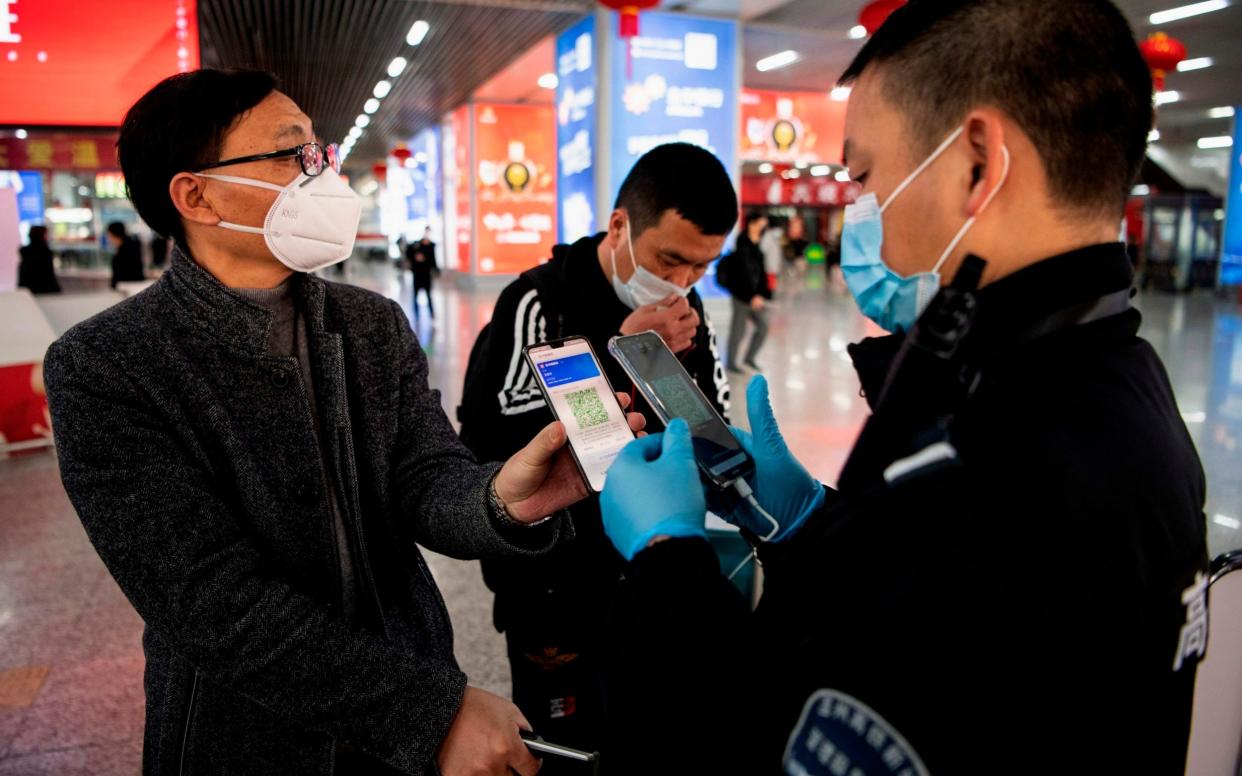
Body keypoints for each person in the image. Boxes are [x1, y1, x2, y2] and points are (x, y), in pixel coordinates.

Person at [593, 1, 1208, 773]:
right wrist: (822, 526)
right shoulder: (1122, 385)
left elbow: (737, 741)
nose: (865, 212)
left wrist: (665, 561)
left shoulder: (983, 483)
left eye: (865, 176)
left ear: (978, 162)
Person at [43, 68, 644, 776]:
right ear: (195, 195)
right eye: (290, 154)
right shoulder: (106, 366)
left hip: (408, 677)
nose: (319, 174)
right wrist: (429, 712)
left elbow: (425, 479)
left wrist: (501, 501)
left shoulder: (370, 325)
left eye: (317, 152)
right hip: (246, 735)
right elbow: (211, 605)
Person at [455, 142, 735, 761]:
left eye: (701, 267)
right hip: (556, 584)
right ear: (619, 226)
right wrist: (620, 356)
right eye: (670, 259)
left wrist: (677, 368)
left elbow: (707, 425)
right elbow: (502, 440)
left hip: (650, 565)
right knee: (563, 744)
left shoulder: (687, 315)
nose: (683, 282)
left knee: (643, 728)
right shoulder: (539, 304)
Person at [720, 211, 772, 373]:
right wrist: (752, 296)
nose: (764, 226)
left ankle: (749, 358)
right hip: (741, 296)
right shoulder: (742, 244)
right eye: (761, 222)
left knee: (763, 327)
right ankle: (731, 363)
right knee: (738, 330)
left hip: (755, 297)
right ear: (752, 224)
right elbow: (744, 274)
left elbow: (760, 272)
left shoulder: (757, 244)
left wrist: (762, 295)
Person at [406, 226, 439, 318]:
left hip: (426, 274)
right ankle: (416, 314)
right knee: (415, 294)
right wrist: (416, 257)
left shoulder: (431, 245)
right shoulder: (416, 245)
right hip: (417, 274)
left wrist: (436, 270)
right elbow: (409, 253)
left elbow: (433, 259)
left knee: (428, 295)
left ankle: (432, 314)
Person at [17, 225, 60, 294]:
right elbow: (48, 275)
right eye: (46, 235)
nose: (48, 237)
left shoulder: (25, 252)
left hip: (28, 291)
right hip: (44, 291)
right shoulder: (44, 253)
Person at [106, 221, 145, 289]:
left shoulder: (125, 251)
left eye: (108, 235)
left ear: (113, 234)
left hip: (128, 286)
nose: (108, 238)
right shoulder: (133, 245)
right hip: (134, 285)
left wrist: (113, 284)